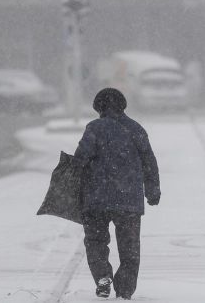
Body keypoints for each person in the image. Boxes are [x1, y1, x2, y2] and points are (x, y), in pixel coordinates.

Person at [74, 88, 161, 299]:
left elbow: (79, 161)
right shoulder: (136, 129)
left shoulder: (94, 129)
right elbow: (149, 162)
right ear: (123, 106)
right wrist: (153, 190)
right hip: (128, 200)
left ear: (99, 108)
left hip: (96, 199)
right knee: (129, 248)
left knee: (95, 242)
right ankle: (125, 291)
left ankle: (103, 276)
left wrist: (72, 190)